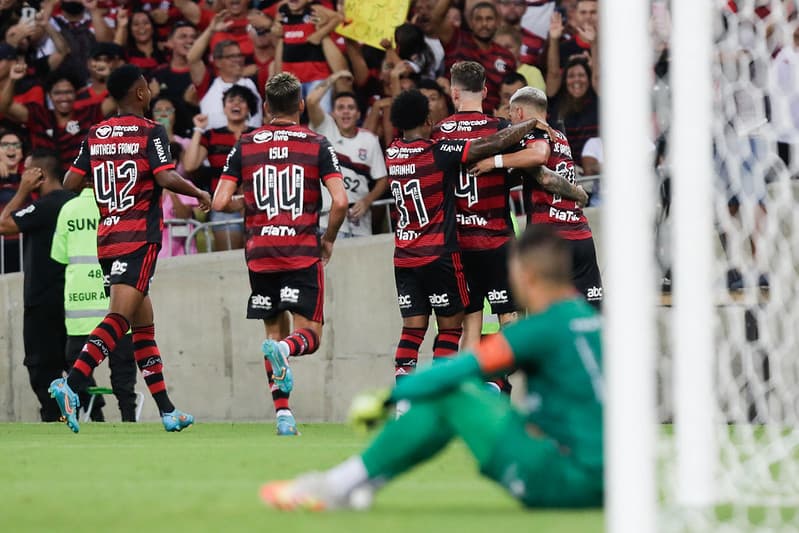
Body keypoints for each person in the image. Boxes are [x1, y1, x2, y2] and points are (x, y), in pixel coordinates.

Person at [260, 225, 604, 511]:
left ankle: (337, 486)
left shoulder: (541, 329)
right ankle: (357, 486)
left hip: (562, 483)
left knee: (451, 395)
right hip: (612, 485)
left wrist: (389, 397)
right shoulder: (596, 323)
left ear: (526, 276)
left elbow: (460, 369)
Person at [50, 64, 212, 434]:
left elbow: (70, 181)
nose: (150, 91)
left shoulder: (96, 133)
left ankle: (167, 410)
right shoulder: (151, 131)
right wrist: (197, 191)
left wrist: (106, 167)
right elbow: (165, 175)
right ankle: (71, 385)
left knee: (143, 328)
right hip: (138, 238)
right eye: (146, 87)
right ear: (140, 93)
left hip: (108, 239)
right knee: (119, 319)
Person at [212, 72, 348, 436]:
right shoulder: (317, 143)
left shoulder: (245, 144)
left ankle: (283, 415)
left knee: (272, 332)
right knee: (309, 335)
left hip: (260, 254)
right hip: (301, 251)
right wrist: (329, 239)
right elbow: (340, 201)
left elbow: (220, 202)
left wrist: (251, 199)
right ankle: (287, 350)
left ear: (265, 106)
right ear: (300, 105)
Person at [384, 88, 541, 387]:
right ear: (428, 121)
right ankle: (444, 390)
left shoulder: (391, 153)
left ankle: (404, 398)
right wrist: (531, 123)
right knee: (451, 328)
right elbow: (491, 144)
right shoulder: (437, 152)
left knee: (412, 331)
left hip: (403, 256)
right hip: (439, 254)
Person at [432, 62, 587, 349]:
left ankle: (472, 377)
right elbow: (539, 172)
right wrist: (576, 192)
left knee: (471, 326)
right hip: (497, 240)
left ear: (453, 93)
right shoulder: (502, 129)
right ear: (485, 91)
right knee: (511, 321)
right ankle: (508, 376)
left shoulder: (439, 132)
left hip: (460, 243)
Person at [471, 87, 602, 308]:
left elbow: (541, 162)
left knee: (547, 314)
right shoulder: (560, 137)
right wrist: (577, 192)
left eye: (511, 113)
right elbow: (535, 172)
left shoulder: (533, 134)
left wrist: (495, 162)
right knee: (589, 314)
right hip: (580, 236)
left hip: (551, 239)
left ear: (519, 112)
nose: (510, 119)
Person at [50, 173, 138, 422]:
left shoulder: (69, 209)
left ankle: (94, 416)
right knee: (123, 373)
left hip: (80, 310)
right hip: (115, 304)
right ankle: (129, 420)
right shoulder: (119, 209)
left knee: (77, 368)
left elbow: (59, 256)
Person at [0, 149, 75, 422]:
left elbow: (4, 224)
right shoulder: (75, 203)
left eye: (27, 171)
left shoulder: (45, 206)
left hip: (43, 299)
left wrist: (21, 191)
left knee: (41, 366)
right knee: (76, 363)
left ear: (38, 175)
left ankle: (55, 418)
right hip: (75, 298)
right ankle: (92, 411)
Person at [307, 71, 387, 238]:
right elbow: (311, 101)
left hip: (360, 223)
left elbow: (383, 179)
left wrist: (367, 201)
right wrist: (334, 78)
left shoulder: (369, 140)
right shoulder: (325, 129)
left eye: (350, 108)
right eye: (340, 108)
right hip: (327, 223)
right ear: (333, 113)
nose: (345, 112)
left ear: (358, 114)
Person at [183, 85, 258, 250]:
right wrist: (198, 129)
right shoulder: (212, 135)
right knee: (229, 258)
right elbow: (189, 165)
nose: (235, 104)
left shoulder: (259, 135)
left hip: (257, 206)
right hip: (223, 206)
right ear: (224, 108)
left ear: (249, 107)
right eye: (231, 100)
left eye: (241, 101)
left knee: (257, 256)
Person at [0, 65, 115, 172]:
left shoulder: (88, 114)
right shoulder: (38, 115)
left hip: (79, 180)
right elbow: (4, 107)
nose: (64, 98)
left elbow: (115, 102)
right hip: (44, 182)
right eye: (57, 93)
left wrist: (110, 77)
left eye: (68, 92)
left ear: (76, 94)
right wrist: (12, 79)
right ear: (49, 95)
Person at [0, 130, 24, 273]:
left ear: (21, 152)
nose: (11, 149)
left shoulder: (30, 177)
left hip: (23, 246)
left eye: (16, 145)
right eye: (5, 145)